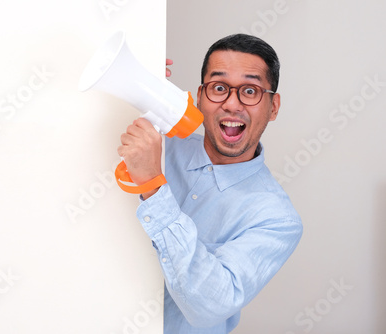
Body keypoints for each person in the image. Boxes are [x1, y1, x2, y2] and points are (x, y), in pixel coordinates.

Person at [117, 34, 303, 333]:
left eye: (251, 91)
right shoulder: (161, 144)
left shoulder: (276, 219)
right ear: (200, 96)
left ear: (273, 106)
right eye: (219, 88)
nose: (232, 104)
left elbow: (210, 306)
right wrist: (140, 89)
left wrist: (153, 186)